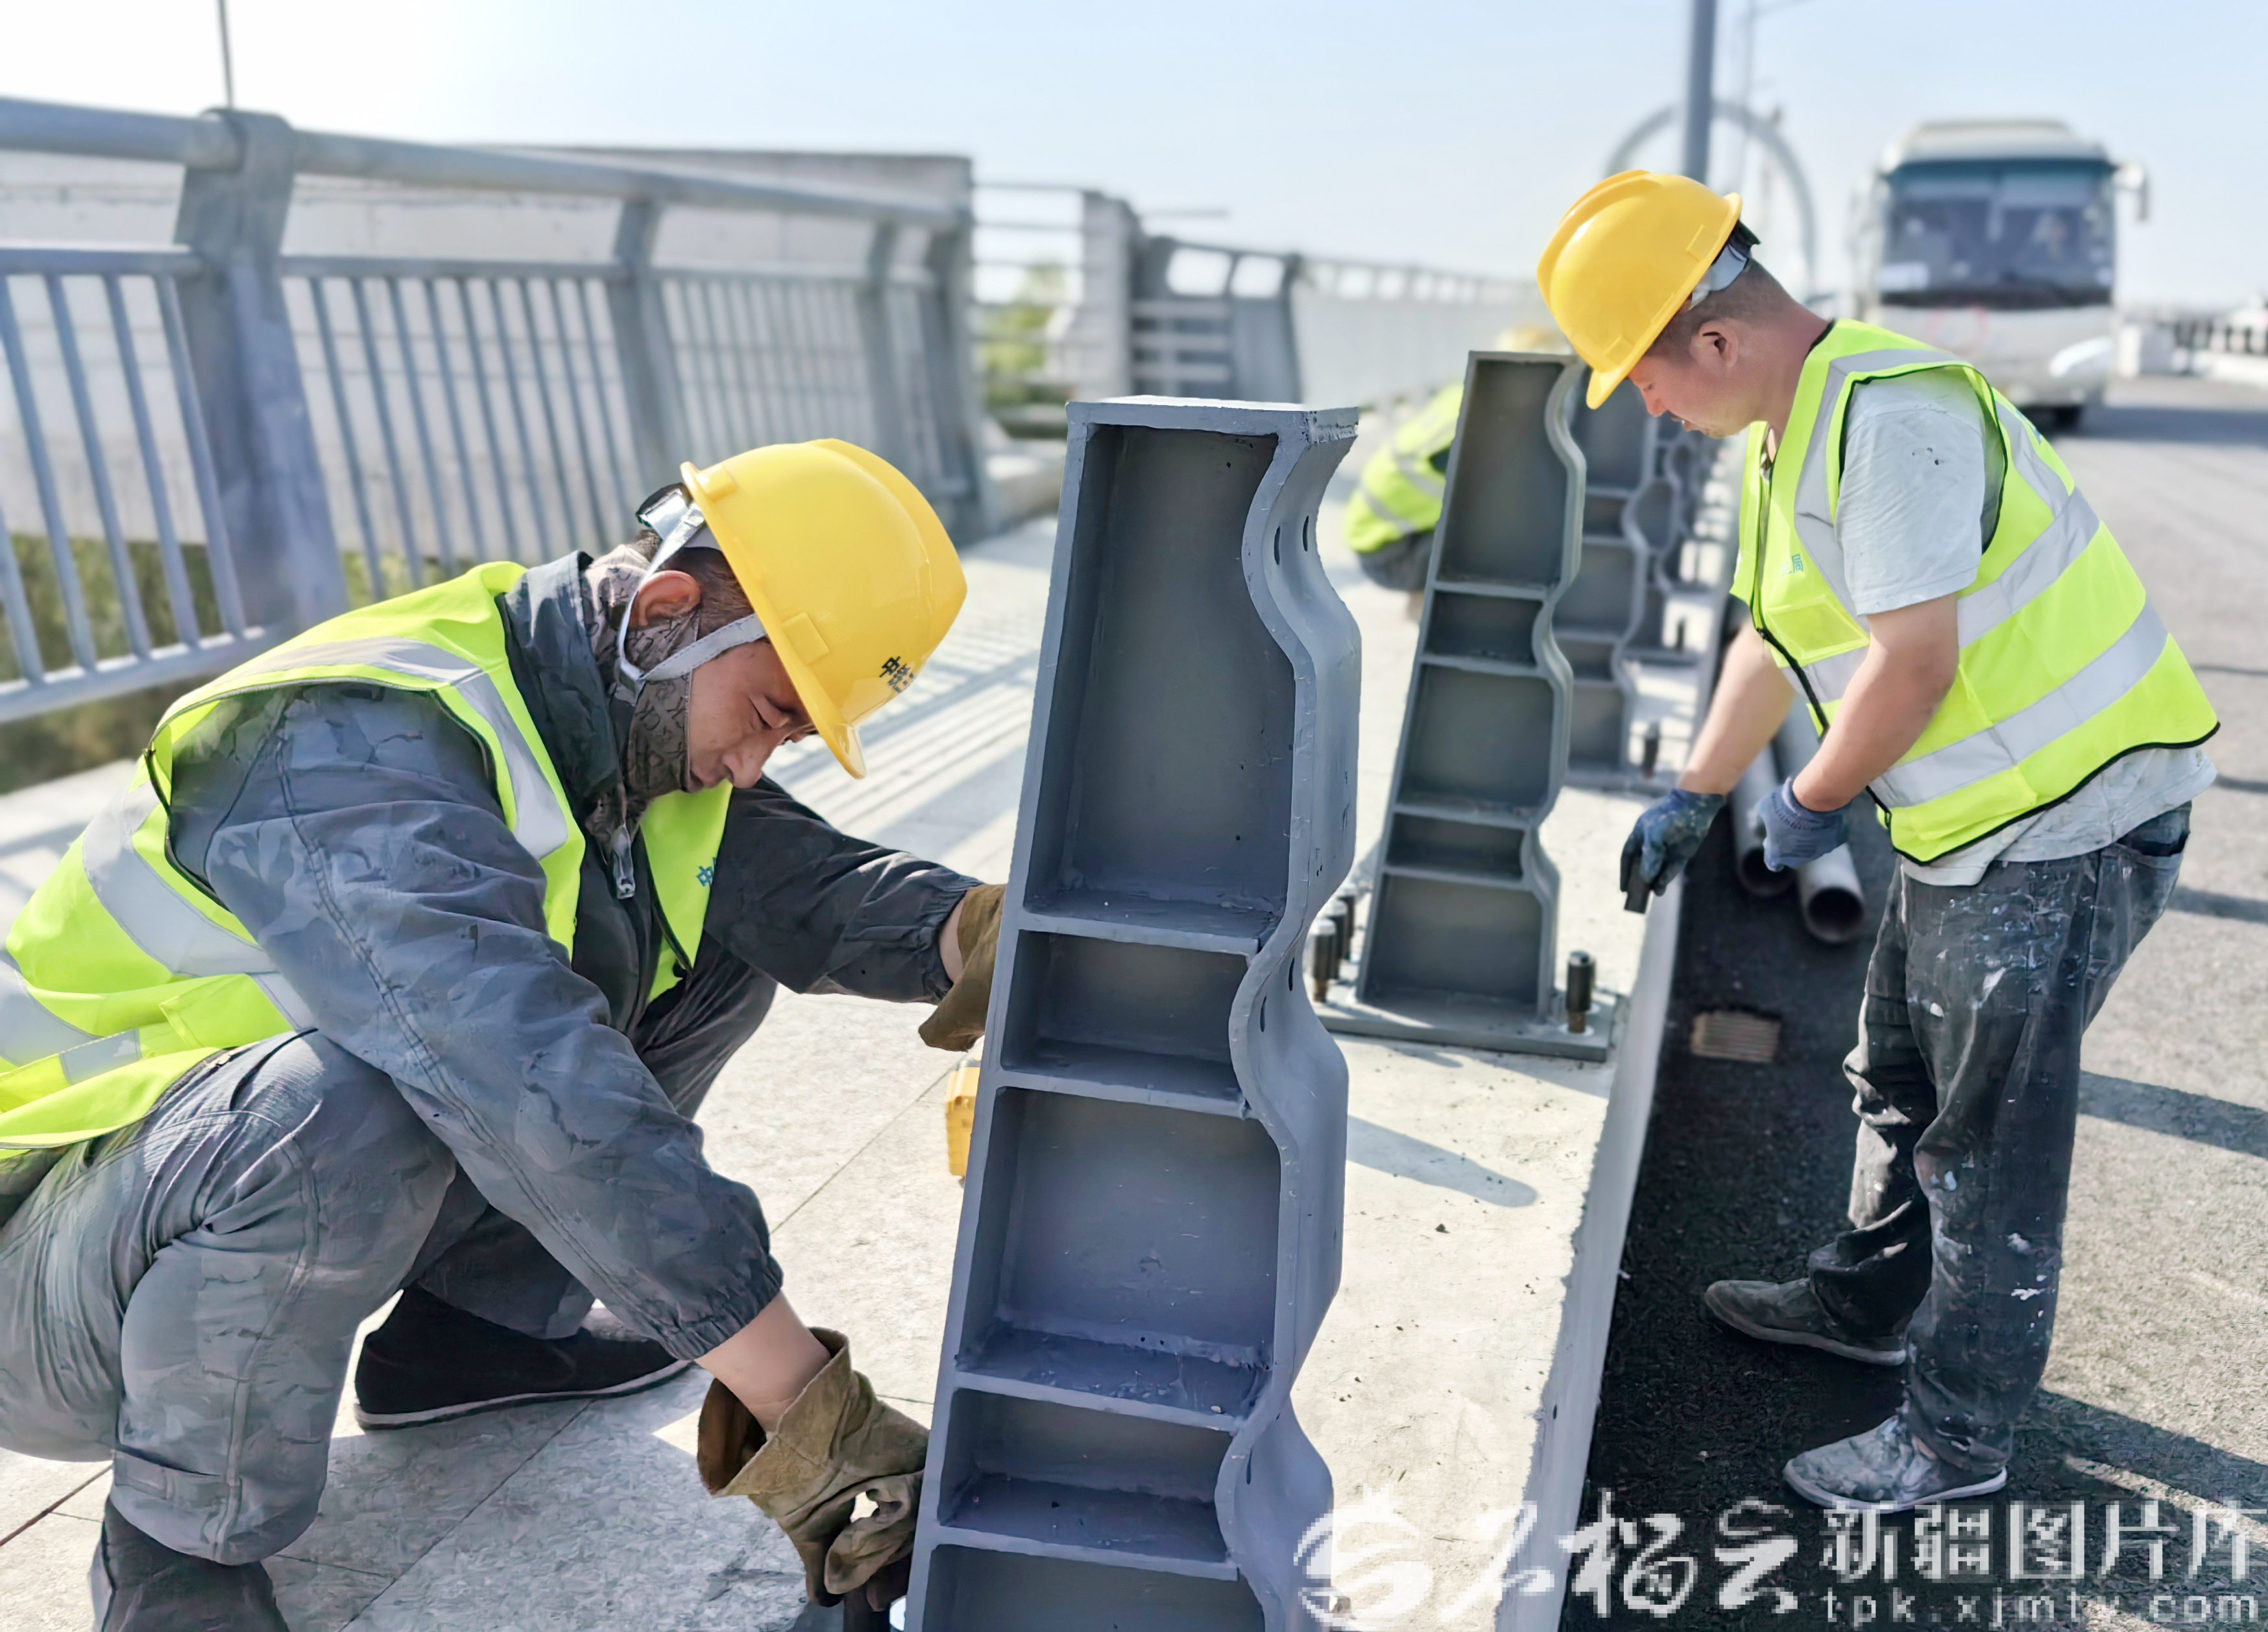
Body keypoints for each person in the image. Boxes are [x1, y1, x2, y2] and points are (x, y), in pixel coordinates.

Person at [0, 438, 1003, 1627]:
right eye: (769, 714)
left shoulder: (598, 709)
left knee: (710, 942)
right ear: (667, 613)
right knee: (352, 1108)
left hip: (180, 1205)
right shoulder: (346, 747)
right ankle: (176, 1550)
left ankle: (476, 1336)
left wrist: (1012, 943)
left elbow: (810, 889)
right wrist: (810, 1421)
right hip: (50, 1270)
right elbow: (532, 1085)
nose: (750, 764)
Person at [1538, 172, 2217, 1512]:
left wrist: (1803, 802)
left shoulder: (1889, 420)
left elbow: (1909, 665)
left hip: (2066, 818)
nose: (1650, 408)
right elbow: (1775, 638)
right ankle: (1863, 1307)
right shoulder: (1792, 428)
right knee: (1896, 1075)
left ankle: (1956, 1439)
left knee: (1984, 1148)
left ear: (1714, 340)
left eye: (1647, 379)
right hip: (1980, 819)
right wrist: (1694, 793)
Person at [1343, 324, 1567, 613]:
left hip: (1386, 539)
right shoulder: (1483, 424)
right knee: (1509, 537)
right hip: (1392, 556)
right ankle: (1440, 612)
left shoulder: (1466, 393)